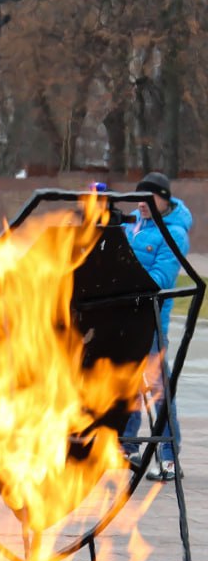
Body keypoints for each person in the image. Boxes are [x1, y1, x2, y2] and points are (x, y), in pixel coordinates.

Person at [123, 172, 192, 482]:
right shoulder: (131, 224)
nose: (142, 203)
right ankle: (127, 447)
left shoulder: (174, 232)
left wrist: (123, 280)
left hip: (150, 321)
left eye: (150, 198)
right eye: (140, 197)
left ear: (164, 199)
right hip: (123, 318)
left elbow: (161, 278)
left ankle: (169, 458)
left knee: (158, 390)